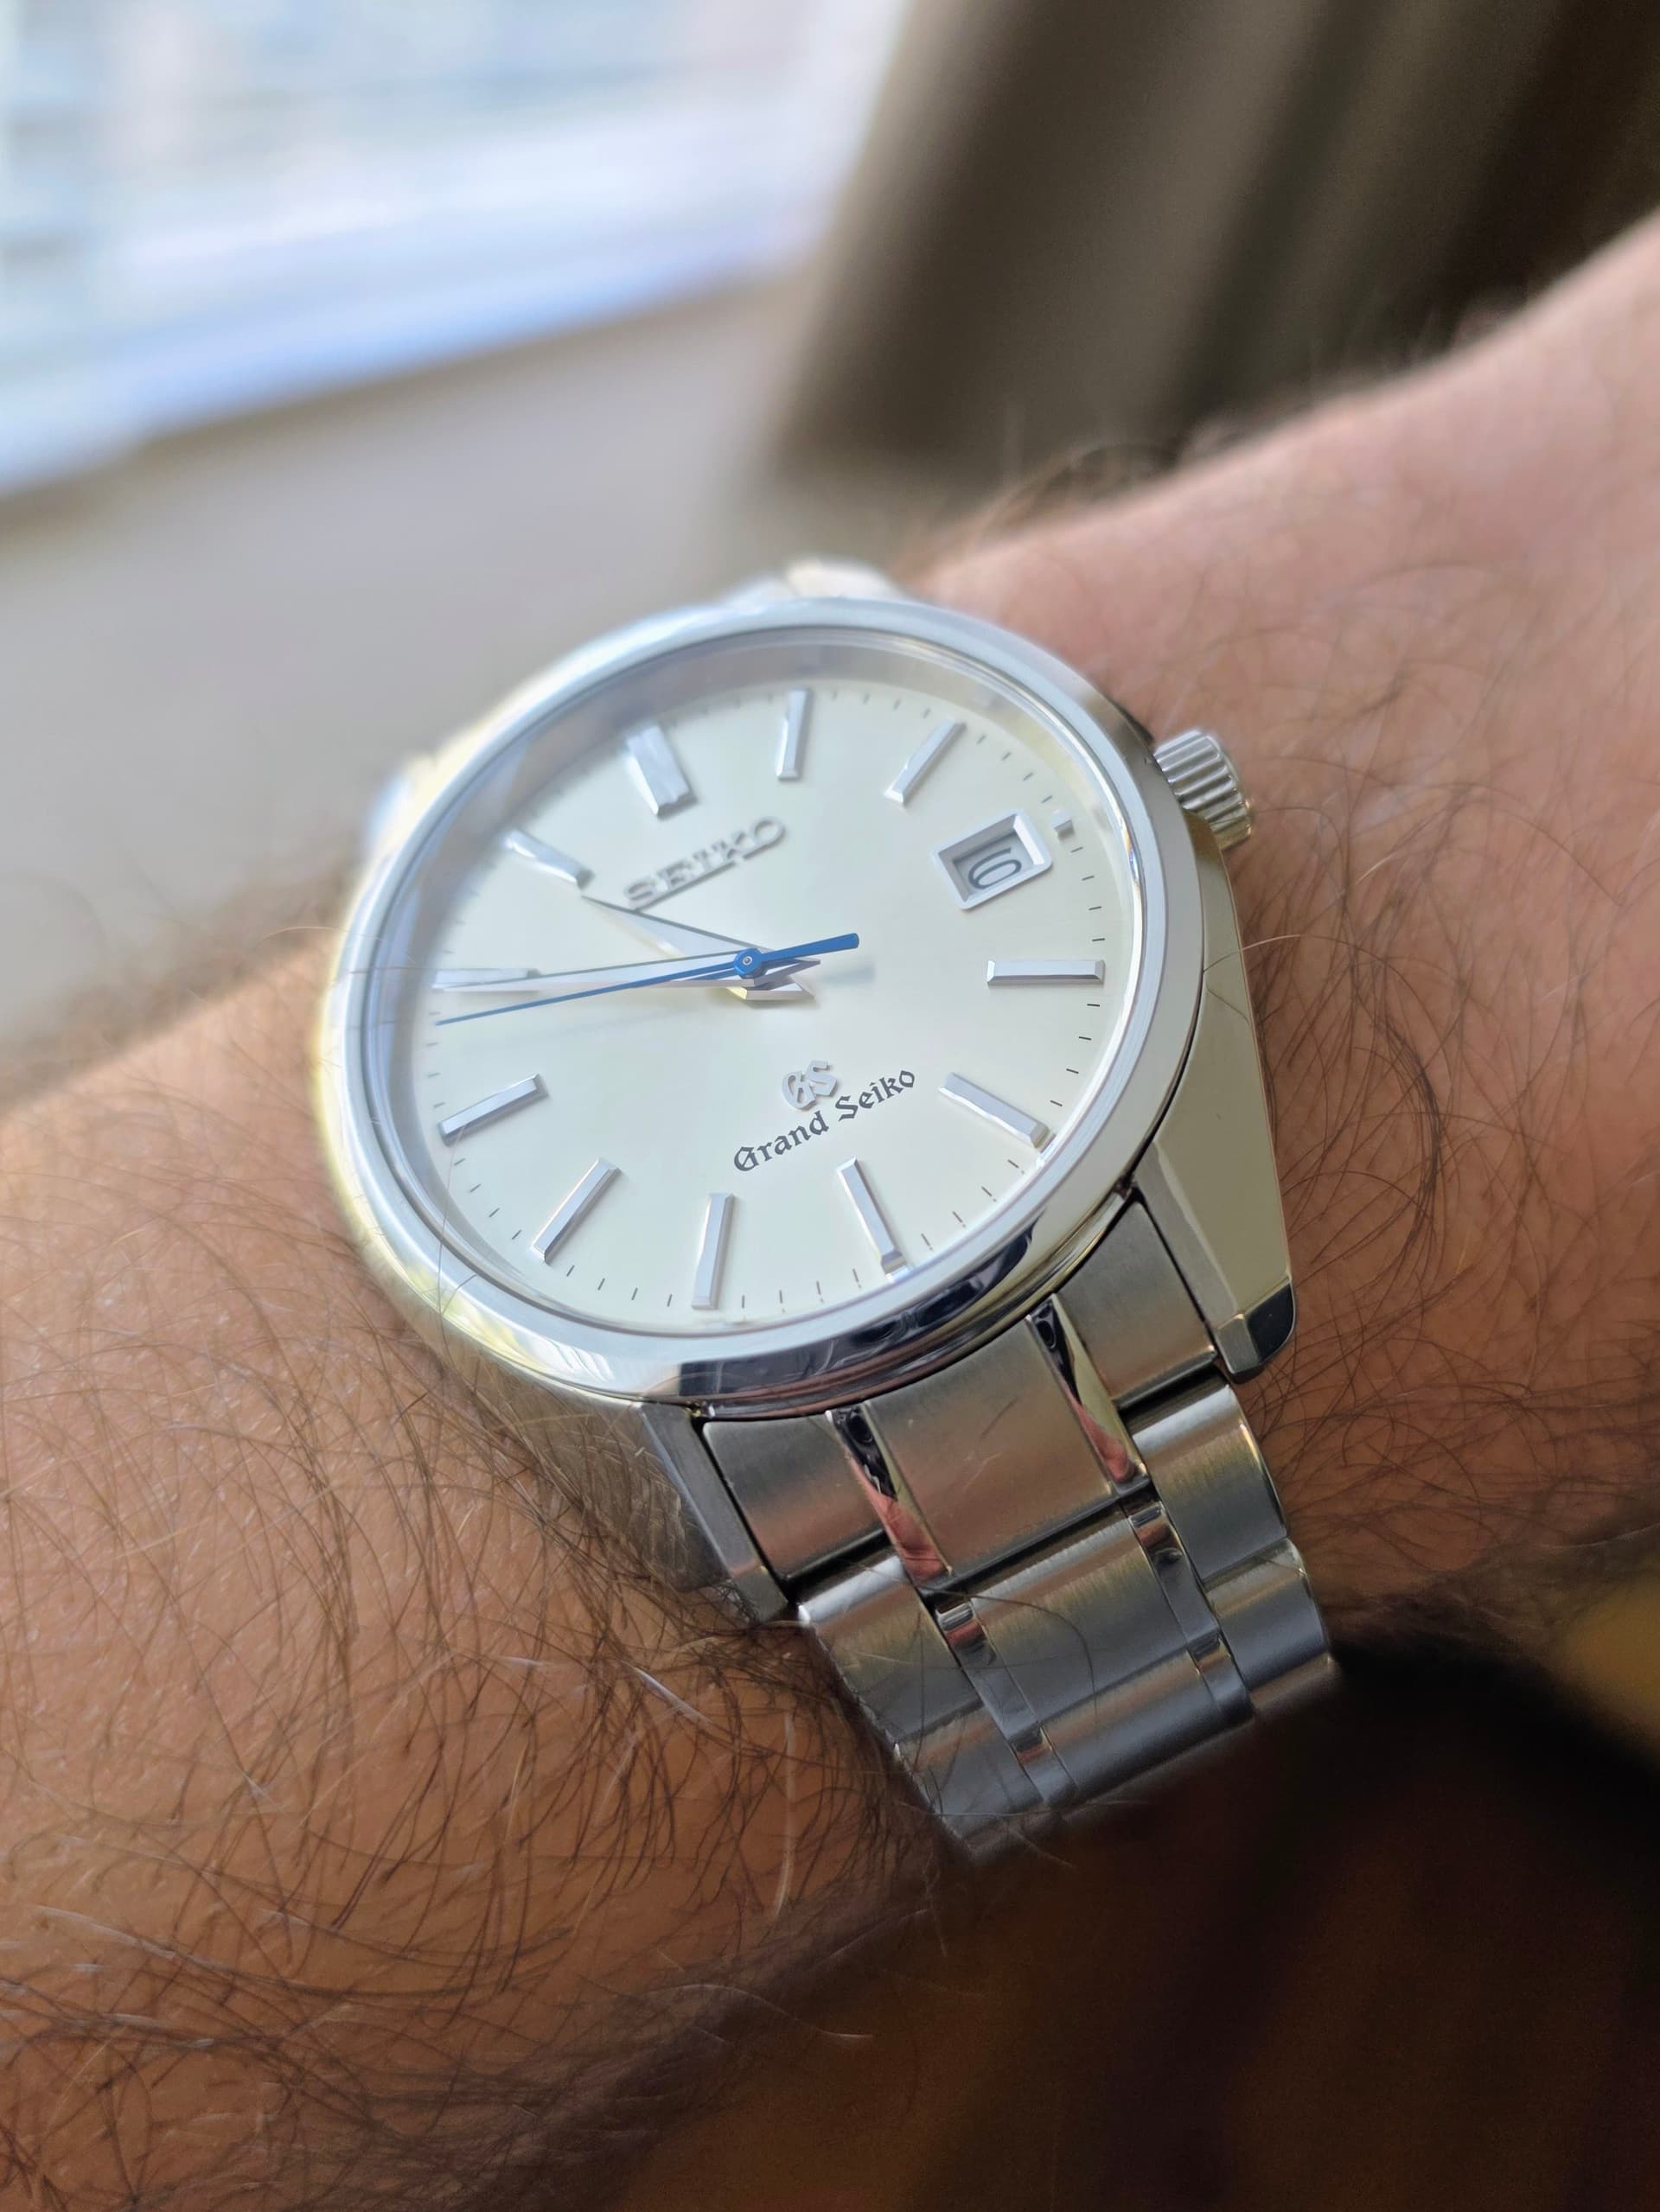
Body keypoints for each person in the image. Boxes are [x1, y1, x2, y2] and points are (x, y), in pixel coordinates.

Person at [3, 210, 1658, 2210]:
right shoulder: (524, 1228)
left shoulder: (1146, 964)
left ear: (1182, 802)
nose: (750, 971)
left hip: (1045, 1222)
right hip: (762, 1370)